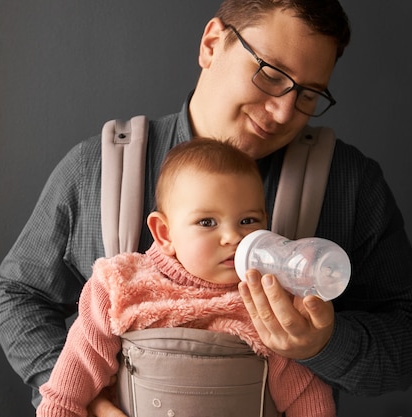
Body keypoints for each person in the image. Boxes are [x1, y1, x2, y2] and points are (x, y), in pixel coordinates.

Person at [0, 1, 412, 415]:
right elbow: (18, 295)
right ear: (211, 44)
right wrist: (80, 398)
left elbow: (410, 338)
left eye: (307, 95)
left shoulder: (348, 183)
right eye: (271, 73)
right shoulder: (99, 169)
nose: (282, 112)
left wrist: (324, 343)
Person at [37, 139, 335, 417]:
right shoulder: (120, 287)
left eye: (248, 220)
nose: (233, 236)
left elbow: (305, 397)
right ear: (164, 233)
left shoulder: (268, 302)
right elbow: (68, 388)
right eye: (207, 222)